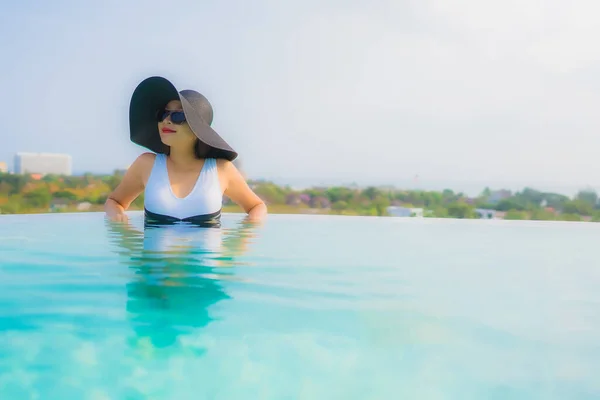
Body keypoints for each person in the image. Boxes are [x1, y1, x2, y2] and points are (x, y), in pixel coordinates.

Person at [104, 76, 267, 226]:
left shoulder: (220, 169)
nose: (166, 120)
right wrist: (120, 226)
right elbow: (114, 202)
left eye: (178, 116)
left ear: (198, 130)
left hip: (208, 258)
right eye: (163, 114)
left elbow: (257, 206)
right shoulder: (146, 165)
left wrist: (244, 237)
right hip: (155, 259)